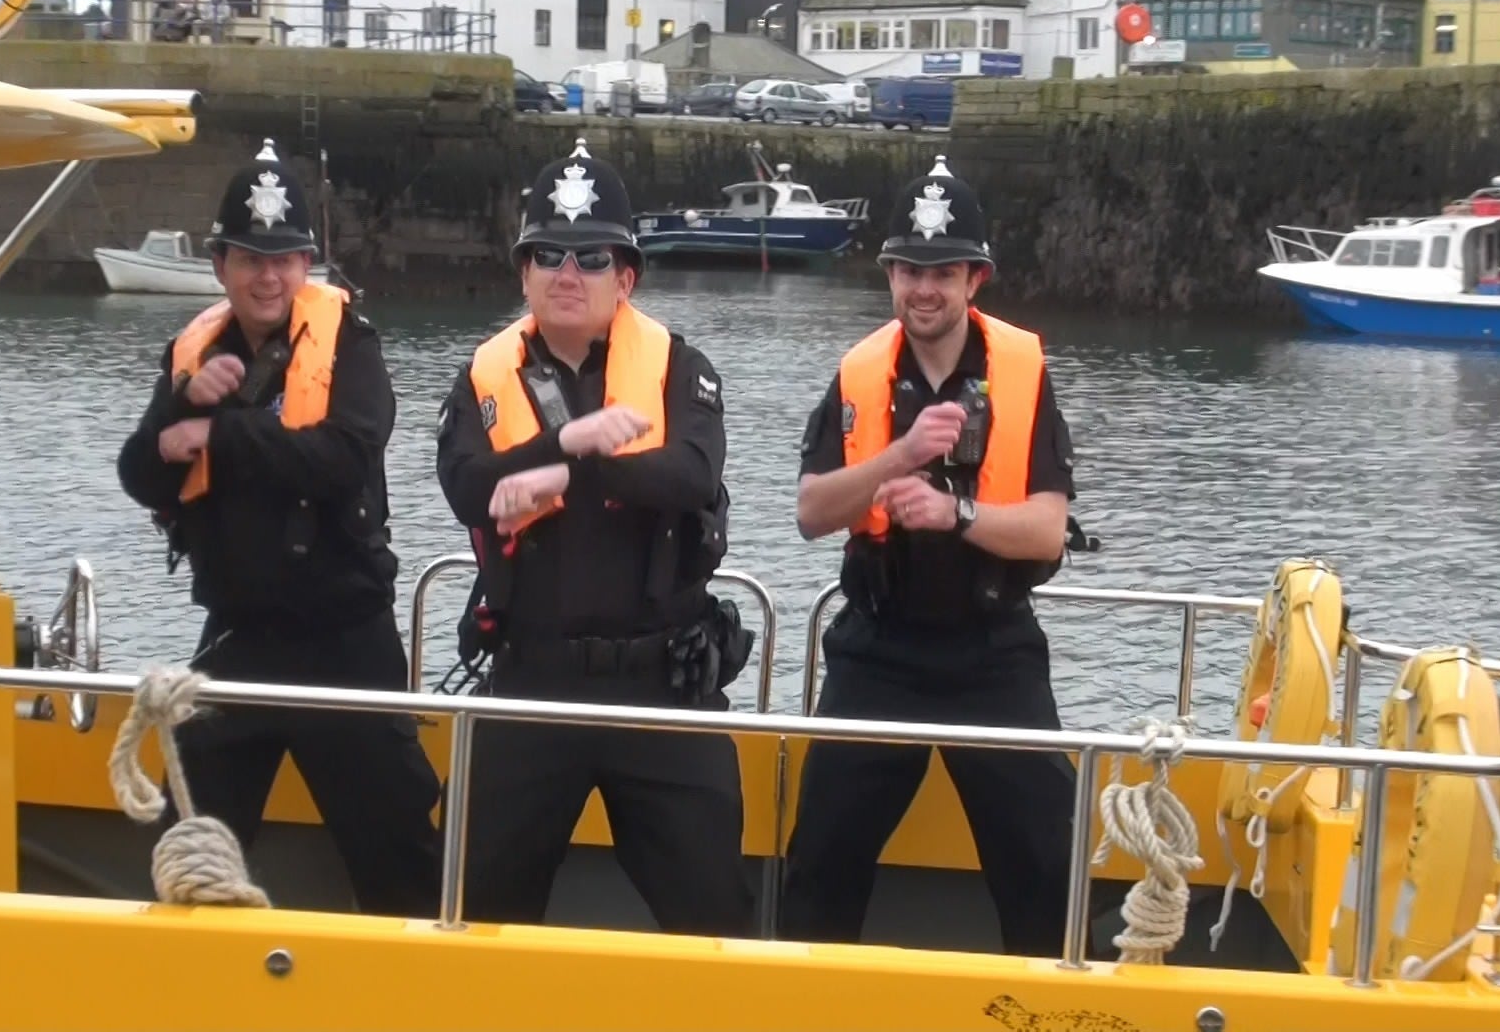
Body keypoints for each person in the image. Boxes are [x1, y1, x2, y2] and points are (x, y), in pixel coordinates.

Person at [434, 138, 755, 937]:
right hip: (532, 683)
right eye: (547, 254)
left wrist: (568, 472)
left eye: (590, 255)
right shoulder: (482, 377)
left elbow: (690, 475)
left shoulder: (682, 367)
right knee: (477, 922)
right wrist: (570, 445)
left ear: (627, 276)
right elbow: (469, 489)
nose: (566, 272)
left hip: (660, 689)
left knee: (714, 922)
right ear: (523, 271)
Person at [116, 138, 441, 918]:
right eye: (252, 259)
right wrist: (182, 416)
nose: (269, 276)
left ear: (307, 267)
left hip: (344, 643)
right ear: (221, 264)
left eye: (286, 259)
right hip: (238, 640)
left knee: (399, 858)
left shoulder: (352, 350)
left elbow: (342, 461)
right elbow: (141, 472)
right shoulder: (193, 357)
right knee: (190, 853)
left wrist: (220, 436)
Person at [779, 155, 1081, 957]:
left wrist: (956, 513)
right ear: (888, 274)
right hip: (880, 651)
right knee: (819, 863)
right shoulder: (856, 376)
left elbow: (1049, 529)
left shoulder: (1023, 373)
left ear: (975, 278)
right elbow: (811, 513)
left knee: (1048, 864)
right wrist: (896, 459)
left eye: (943, 271)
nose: (924, 289)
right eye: (910, 269)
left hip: (995, 653)